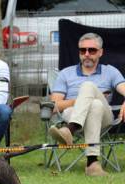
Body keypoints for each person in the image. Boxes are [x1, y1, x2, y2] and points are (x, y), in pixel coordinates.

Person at [49, 32, 125, 176]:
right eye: (83, 50)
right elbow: (54, 106)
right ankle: (92, 163)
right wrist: (78, 101)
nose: (87, 54)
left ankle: (69, 130)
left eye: (92, 50)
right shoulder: (66, 73)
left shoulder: (110, 71)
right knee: (95, 104)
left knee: (88, 86)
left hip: (105, 118)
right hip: (72, 113)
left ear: (100, 52)